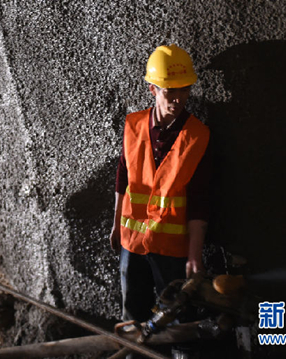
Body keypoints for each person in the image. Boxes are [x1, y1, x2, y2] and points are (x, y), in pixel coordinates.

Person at [109, 45, 211, 323]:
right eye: (170, 91)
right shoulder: (133, 125)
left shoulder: (197, 135)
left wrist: (194, 255)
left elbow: (200, 199)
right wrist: (116, 224)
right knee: (133, 316)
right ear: (153, 89)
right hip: (132, 242)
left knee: (179, 317)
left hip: (171, 248)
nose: (178, 99)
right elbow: (123, 176)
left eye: (184, 90)